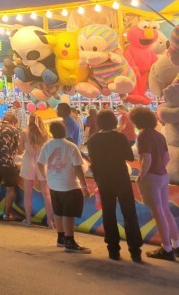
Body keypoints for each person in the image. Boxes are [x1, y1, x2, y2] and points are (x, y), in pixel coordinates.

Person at [86, 109, 143, 262]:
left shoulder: (93, 140)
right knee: (129, 213)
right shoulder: (119, 137)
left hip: (104, 180)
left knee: (108, 213)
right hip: (121, 178)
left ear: (99, 123)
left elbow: (93, 163)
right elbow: (130, 156)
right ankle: (135, 250)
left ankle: (113, 249)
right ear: (114, 121)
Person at [130, 106, 179, 261]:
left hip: (151, 177)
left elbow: (147, 159)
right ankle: (176, 244)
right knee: (165, 210)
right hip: (163, 175)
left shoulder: (143, 136)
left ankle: (166, 248)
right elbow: (166, 158)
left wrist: (141, 176)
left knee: (158, 213)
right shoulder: (159, 135)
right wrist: (160, 169)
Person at [37, 121, 91, 253]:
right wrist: (84, 186)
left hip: (53, 184)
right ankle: (70, 241)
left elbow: (40, 163)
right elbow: (78, 168)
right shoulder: (71, 146)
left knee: (58, 212)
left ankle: (60, 237)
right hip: (69, 185)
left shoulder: (47, 145)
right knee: (68, 214)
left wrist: (45, 178)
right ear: (65, 131)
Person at [19, 114, 54, 228]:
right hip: (42, 163)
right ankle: (50, 221)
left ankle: (28, 220)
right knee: (46, 193)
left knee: (28, 194)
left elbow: (20, 150)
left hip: (28, 162)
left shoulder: (24, 132)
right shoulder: (45, 134)